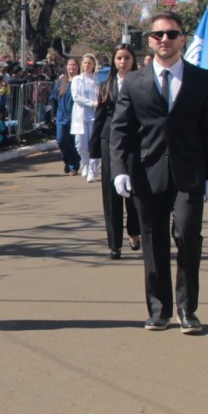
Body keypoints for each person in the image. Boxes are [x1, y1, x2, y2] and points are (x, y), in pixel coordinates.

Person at [109, 12, 208, 334]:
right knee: (153, 241)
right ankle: (159, 310)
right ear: (149, 40)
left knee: (188, 236)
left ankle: (187, 310)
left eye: (172, 34)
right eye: (159, 35)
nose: (165, 40)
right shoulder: (134, 81)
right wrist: (120, 170)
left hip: (190, 172)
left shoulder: (202, 79)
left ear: (182, 39)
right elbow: (120, 130)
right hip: (148, 173)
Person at [94, 45, 140, 259]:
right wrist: (94, 151)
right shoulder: (106, 85)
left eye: (127, 58)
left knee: (133, 190)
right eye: (119, 58)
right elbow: (100, 116)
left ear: (133, 60)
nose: (123, 62)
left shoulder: (142, 82)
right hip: (109, 140)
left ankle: (134, 231)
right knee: (111, 192)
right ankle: (115, 244)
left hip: (135, 140)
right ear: (114, 61)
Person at [71, 53, 102, 181]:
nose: (87, 65)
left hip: (94, 115)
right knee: (80, 144)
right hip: (80, 115)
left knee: (94, 143)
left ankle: (92, 169)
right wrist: (92, 103)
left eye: (89, 63)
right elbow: (76, 97)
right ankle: (85, 163)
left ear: (94, 65)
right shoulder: (77, 79)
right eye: (84, 63)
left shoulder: (97, 80)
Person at [52, 58, 81, 175]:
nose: (72, 67)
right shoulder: (61, 82)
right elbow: (53, 99)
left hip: (77, 117)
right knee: (61, 141)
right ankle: (67, 161)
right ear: (66, 67)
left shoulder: (80, 81)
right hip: (62, 117)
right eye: (70, 65)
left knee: (75, 143)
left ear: (78, 67)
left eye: (74, 65)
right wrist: (53, 115)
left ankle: (74, 166)